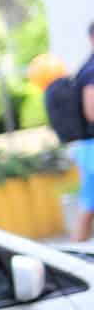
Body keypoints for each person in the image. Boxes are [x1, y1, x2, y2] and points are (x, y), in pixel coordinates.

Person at [72, 21, 94, 242]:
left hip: (87, 148)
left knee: (88, 205)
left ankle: (74, 252)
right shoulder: (91, 70)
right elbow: (91, 111)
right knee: (87, 207)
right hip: (91, 147)